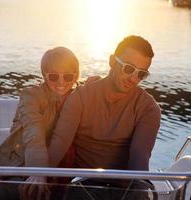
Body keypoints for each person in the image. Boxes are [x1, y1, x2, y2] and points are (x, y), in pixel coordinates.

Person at [44, 35, 161, 199]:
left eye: (141, 74)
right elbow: (60, 142)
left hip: (122, 189)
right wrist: (38, 175)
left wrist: (139, 193)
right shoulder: (80, 97)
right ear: (112, 61)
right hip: (81, 185)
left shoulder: (148, 108)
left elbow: (139, 156)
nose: (133, 78)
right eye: (128, 68)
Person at [0, 46, 81, 200]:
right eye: (53, 77)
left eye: (68, 76)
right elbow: (34, 133)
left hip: (65, 165)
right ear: (44, 75)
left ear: (76, 76)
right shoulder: (31, 96)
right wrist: (38, 172)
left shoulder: (80, 95)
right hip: (25, 162)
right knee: (15, 190)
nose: (61, 82)